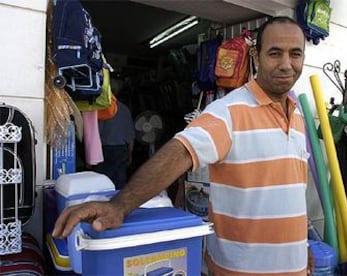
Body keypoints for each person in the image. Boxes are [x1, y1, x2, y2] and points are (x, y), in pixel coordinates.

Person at [53, 16, 314, 275]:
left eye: (295, 54)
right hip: (241, 270)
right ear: (256, 57)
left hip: (295, 267)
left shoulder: (299, 115)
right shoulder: (229, 111)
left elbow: (292, 194)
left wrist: (303, 246)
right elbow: (179, 153)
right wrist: (119, 206)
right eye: (275, 53)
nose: (286, 64)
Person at [93, 78, 135, 189]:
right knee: (120, 181)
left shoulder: (102, 108)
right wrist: (130, 154)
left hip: (104, 149)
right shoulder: (125, 109)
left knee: (102, 181)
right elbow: (130, 135)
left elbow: (96, 132)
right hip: (121, 150)